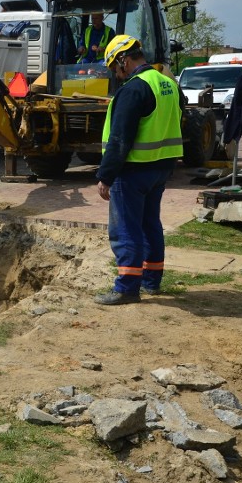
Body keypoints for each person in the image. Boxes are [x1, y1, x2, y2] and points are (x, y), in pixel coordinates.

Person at [94, 35, 183, 305]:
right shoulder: (167, 83)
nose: (115, 74)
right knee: (149, 225)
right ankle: (151, 281)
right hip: (161, 168)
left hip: (133, 171)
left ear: (124, 59)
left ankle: (126, 288)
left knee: (126, 230)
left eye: (114, 67)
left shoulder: (134, 89)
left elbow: (120, 139)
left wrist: (105, 176)